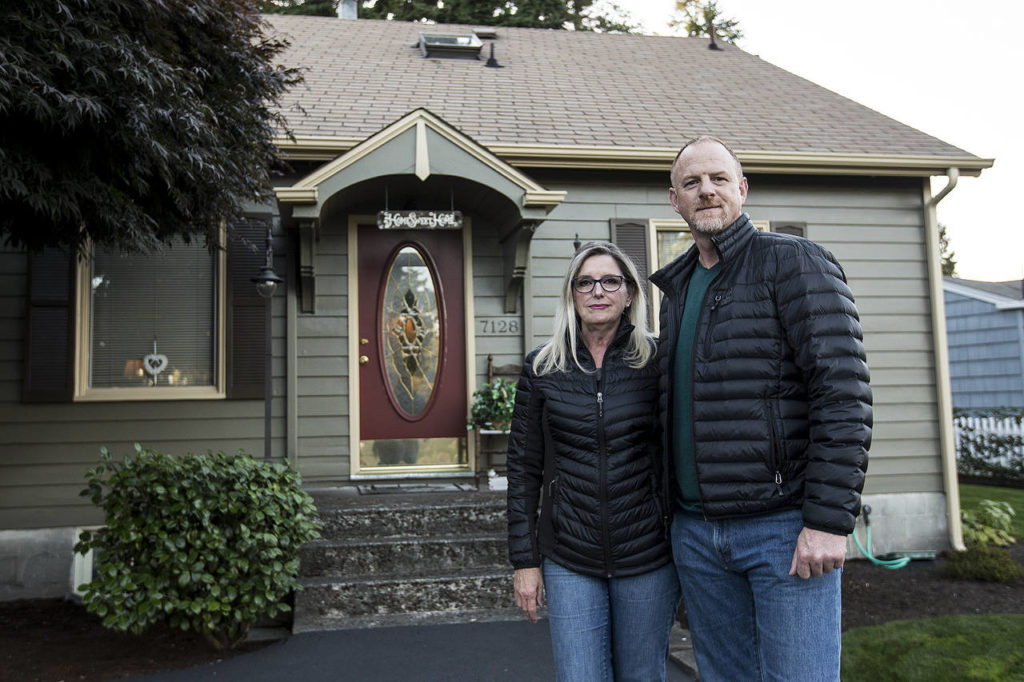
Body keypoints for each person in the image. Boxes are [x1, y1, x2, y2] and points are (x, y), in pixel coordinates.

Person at [649, 136, 872, 681]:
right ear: (673, 200)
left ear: (742, 190)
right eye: (692, 183)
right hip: (698, 536)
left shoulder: (792, 263)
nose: (706, 191)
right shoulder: (677, 289)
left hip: (782, 530)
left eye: (719, 179)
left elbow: (842, 393)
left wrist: (826, 521)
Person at [507, 241, 680, 682]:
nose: (597, 291)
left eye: (610, 281)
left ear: (629, 295)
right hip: (570, 556)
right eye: (585, 282)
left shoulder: (657, 362)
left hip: (646, 555)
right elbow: (523, 470)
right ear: (571, 294)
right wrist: (525, 562)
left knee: (642, 675)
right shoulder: (542, 368)